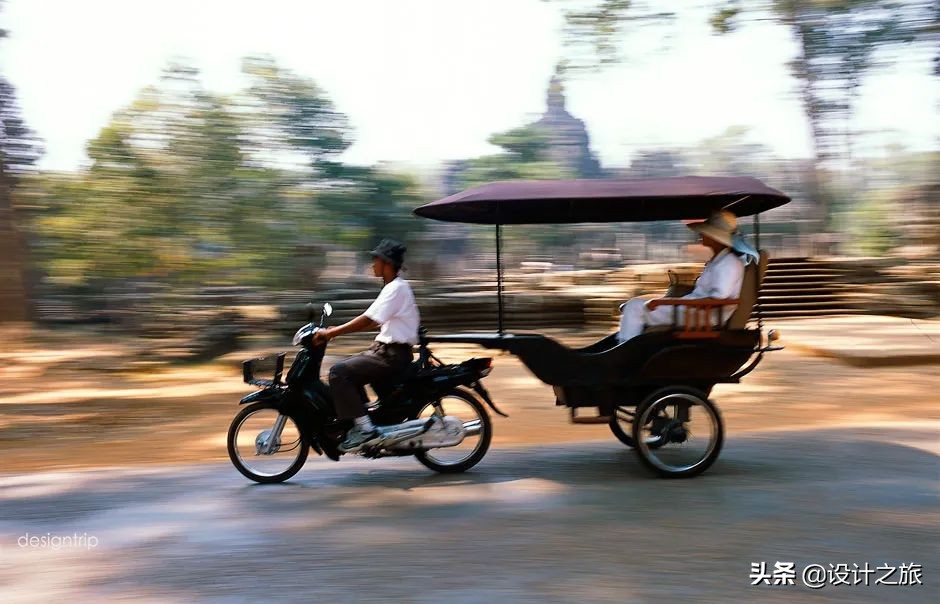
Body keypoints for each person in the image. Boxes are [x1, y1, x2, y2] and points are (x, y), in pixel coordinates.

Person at [313, 238, 420, 451]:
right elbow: (371, 320)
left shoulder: (396, 288)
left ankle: (365, 430)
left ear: (387, 263)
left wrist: (332, 332)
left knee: (338, 373)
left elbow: (368, 319)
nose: (373, 264)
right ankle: (361, 419)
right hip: (385, 351)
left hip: (391, 356)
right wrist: (336, 331)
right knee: (349, 367)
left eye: (376, 260)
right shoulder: (393, 287)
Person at [618, 210, 753, 343]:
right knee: (634, 305)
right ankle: (628, 343)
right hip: (692, 309)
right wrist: (673, 302)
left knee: (634, 307)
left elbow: (718, 298)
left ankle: (624, 350)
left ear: (716, 237)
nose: (701, 234)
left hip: (702, 316)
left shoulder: (729, 263)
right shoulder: (718, 261)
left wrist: (667, 303)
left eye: (706, 231)